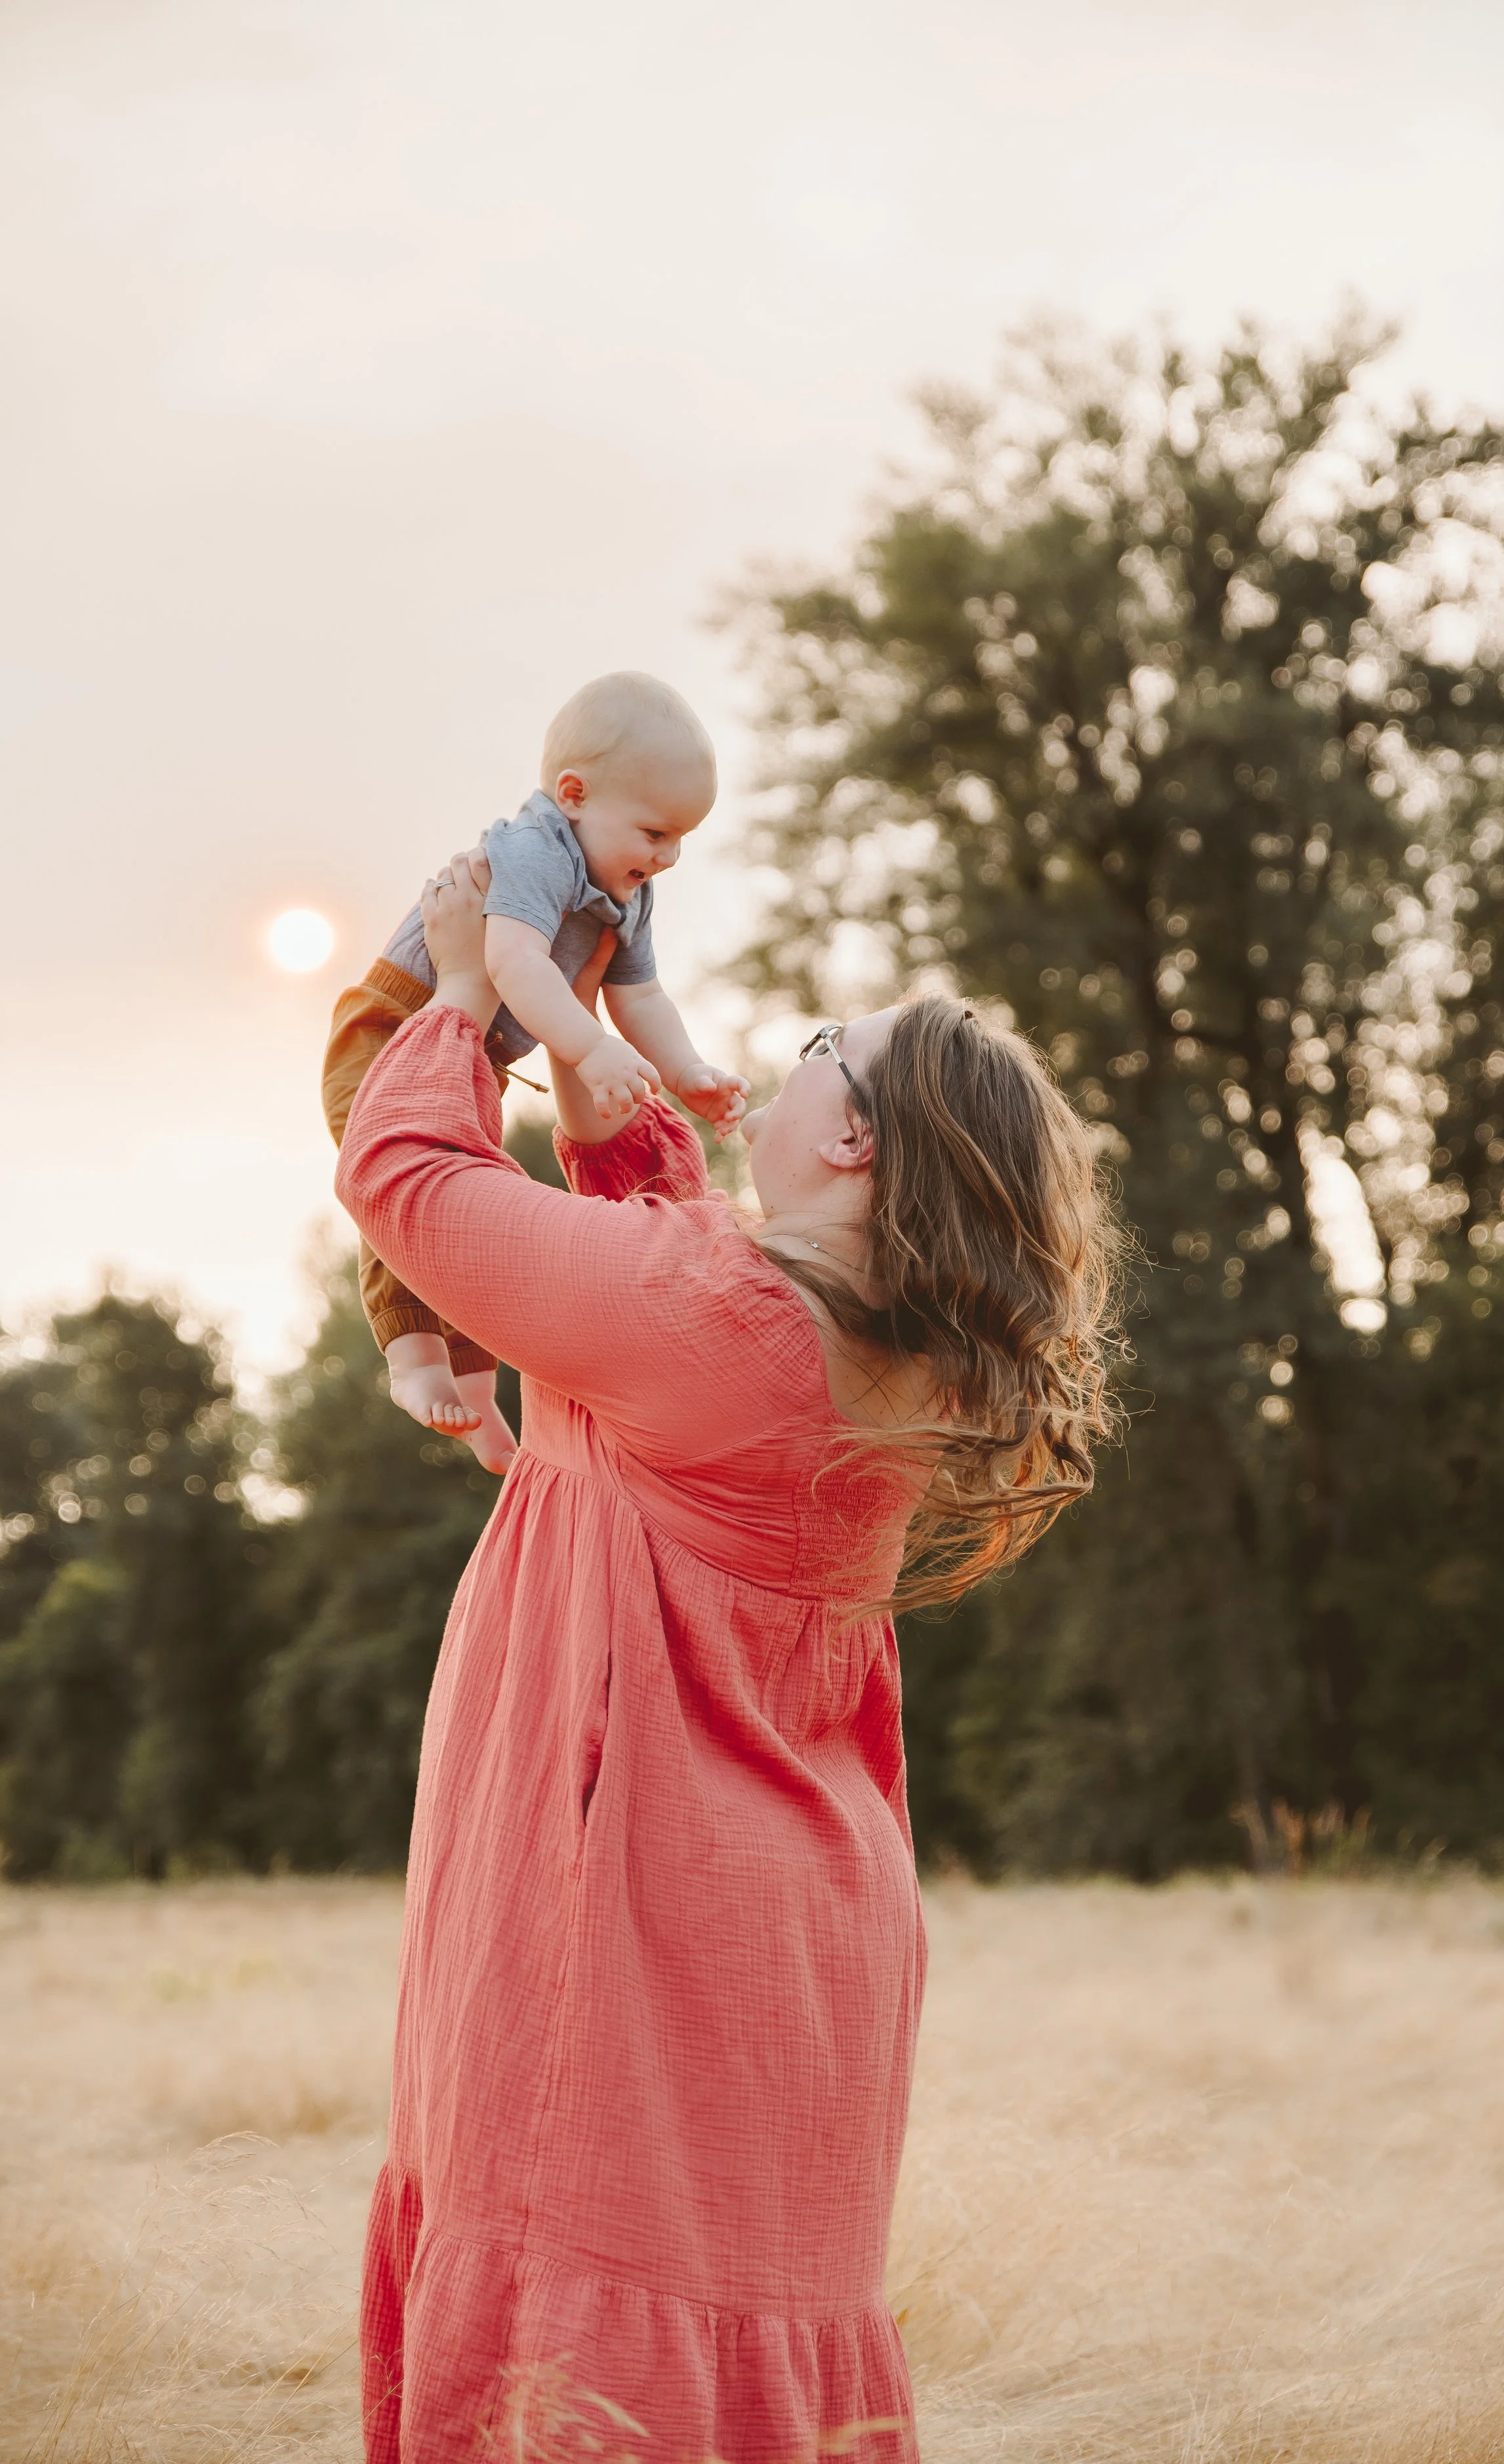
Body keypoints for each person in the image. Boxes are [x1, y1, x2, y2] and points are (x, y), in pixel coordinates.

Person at [334, 847, 1122, 2464]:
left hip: (627, 1914)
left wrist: (472, 987)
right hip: (798, 1948)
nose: (786, 1059)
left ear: (849, 1138)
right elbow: (658, 1223)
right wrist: (594, 1004)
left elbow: (405, 1175)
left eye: (826, 1049)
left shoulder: (701, 1314)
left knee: (581, 2342)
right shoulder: (879, 1354)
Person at [321, 671, 748, 1475]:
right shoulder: (536, 849)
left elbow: (641, 992)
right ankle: (412, 1357)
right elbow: (511, 961)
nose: (669, 856)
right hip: (392, 1030)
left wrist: (686, 1069)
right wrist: (589, 1048)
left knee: (474, 1191)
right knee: (405, 1170)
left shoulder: (627, 890)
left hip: (472, 1047)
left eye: (683, 838)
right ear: (575, 794)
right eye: (656, 832)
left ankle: (477, 1396)